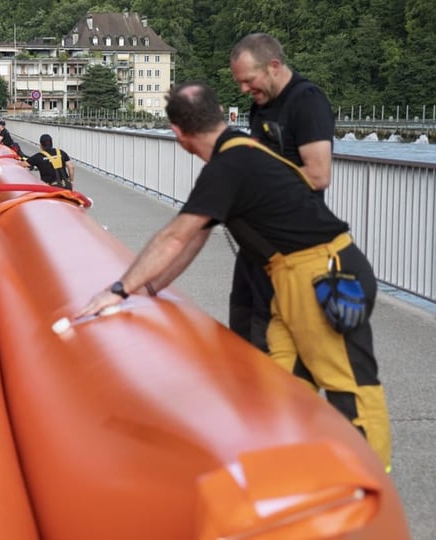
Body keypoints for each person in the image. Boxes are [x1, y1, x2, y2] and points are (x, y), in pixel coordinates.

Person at [77, 82, 391, 471]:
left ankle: (372, 482)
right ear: (222, 114)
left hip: (323, 273)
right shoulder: (237, 154)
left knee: (347, 381)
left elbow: (176, 235)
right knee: (279, 376)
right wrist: (152, 287)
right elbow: (194, 235)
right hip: (289, 276)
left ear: (178, 134)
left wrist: (120, 289)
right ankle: (294, 471)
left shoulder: (231, 165)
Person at [228, 33, 336, 354]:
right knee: (242, 328)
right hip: (255, 247)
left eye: (249, 80)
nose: (244, 89)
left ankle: (282, 402)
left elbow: (318, 175)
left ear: (274, 66)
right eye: (240, 83)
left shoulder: (307, 101)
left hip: (292, 248)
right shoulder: (260, 106)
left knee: (273, 340)